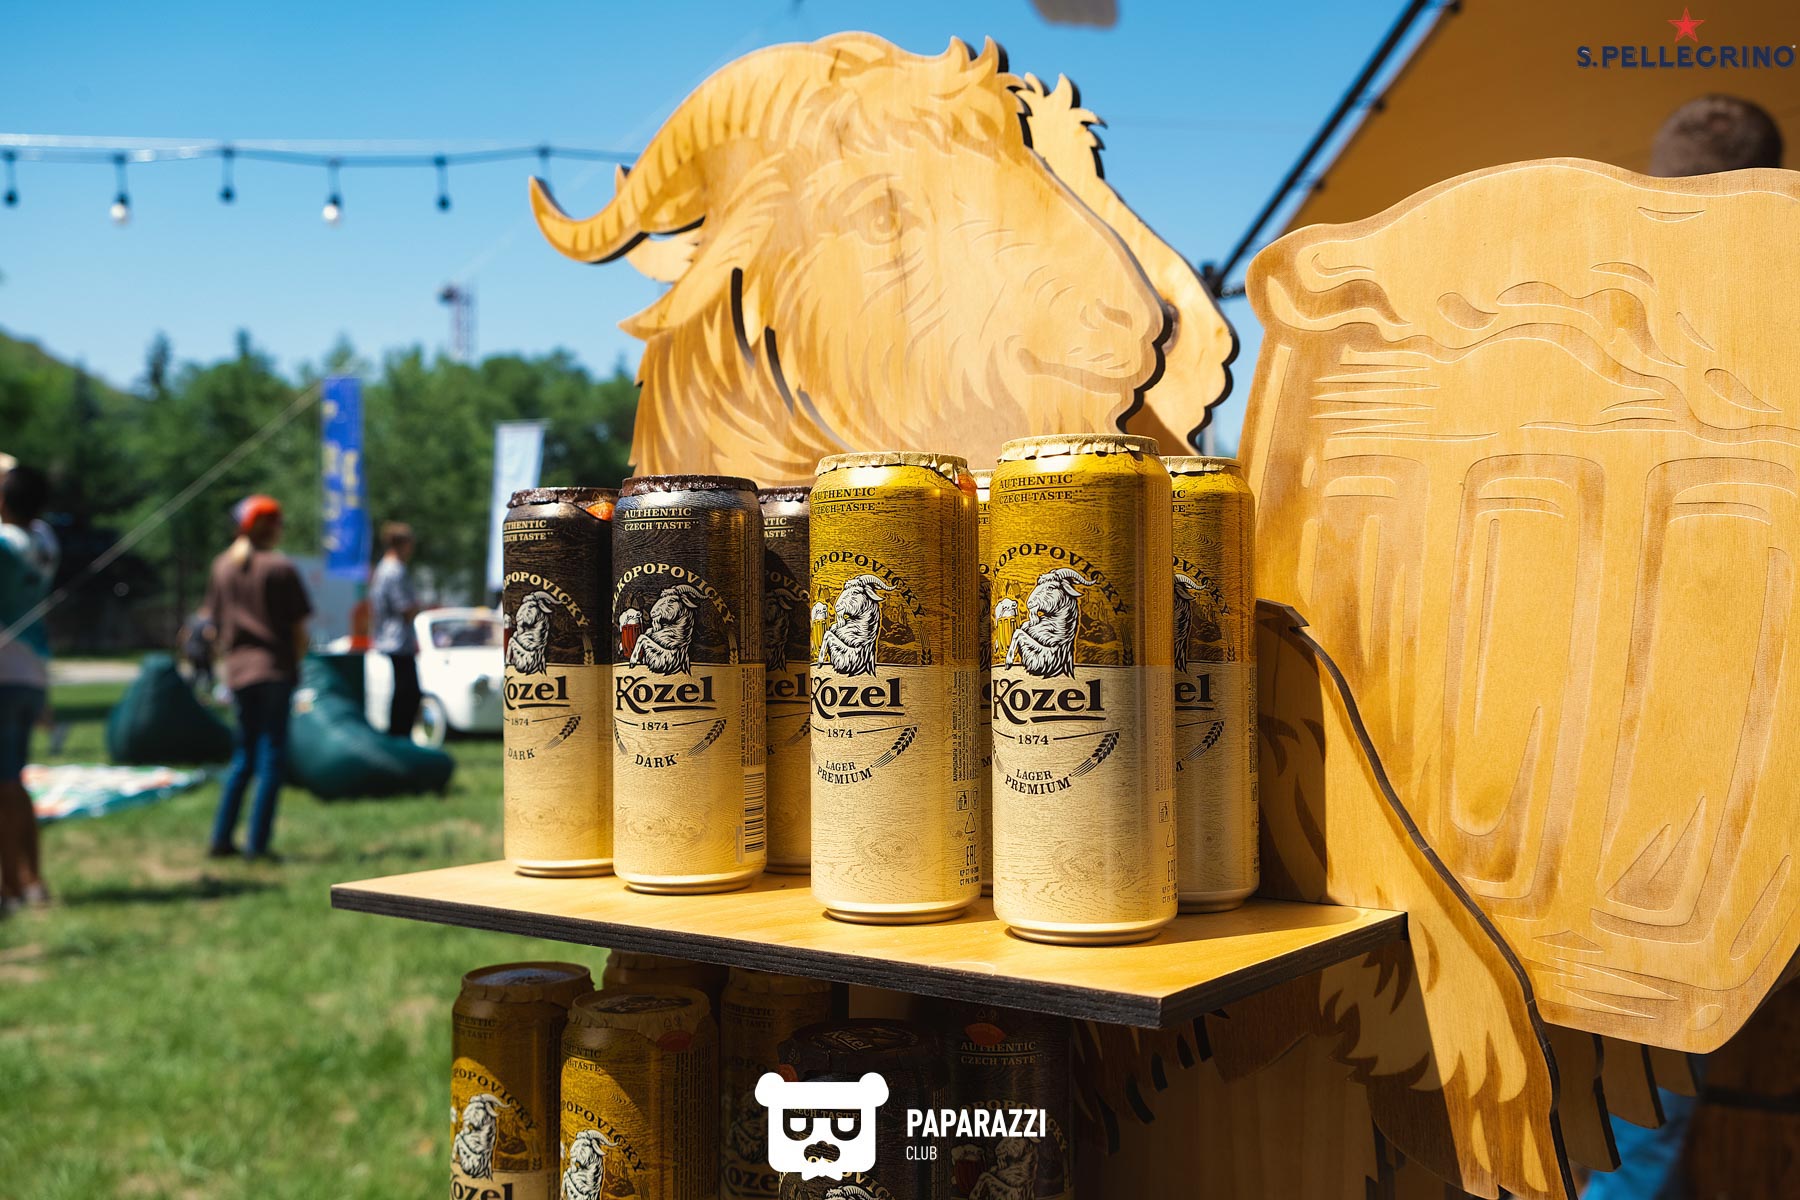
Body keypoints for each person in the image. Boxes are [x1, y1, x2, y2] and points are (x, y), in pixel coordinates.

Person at [205, 494, 311, 862]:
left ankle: (221, 839)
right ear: (272, 527)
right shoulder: (280, 568)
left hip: (238, 673)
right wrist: (296, 660)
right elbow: (299, 631)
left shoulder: (222, 566)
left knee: (243, 757)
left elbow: (212, 627)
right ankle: (257, 846)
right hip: (274, 670)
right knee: (271, 758)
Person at [0, 463, 56, 914]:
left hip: (3, 674)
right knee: (12, 781)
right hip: (32, 674)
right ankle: (31, 880)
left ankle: (10, 889)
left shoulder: (4, 544)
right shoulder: (44, 541)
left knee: (4, 786)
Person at [369, 521, 423, 738]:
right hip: (397, 639)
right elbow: (405, 608)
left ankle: (398, 734)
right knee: (407, 693)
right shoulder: (394, 570)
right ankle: (399, 736)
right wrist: (417, 607)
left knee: (404, 691)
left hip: (391, 637)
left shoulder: (384, 568)